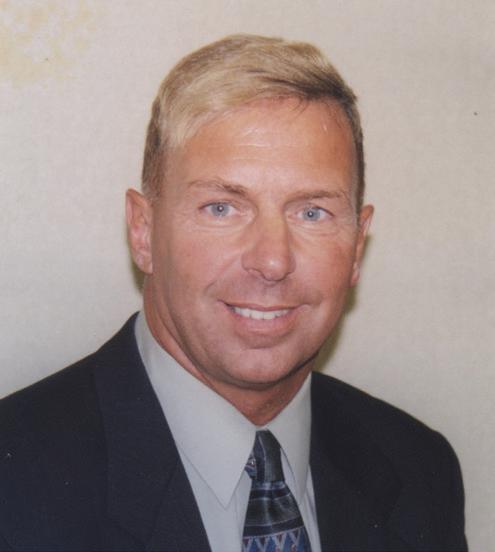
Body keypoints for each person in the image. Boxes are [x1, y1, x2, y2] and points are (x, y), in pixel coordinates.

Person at [0, 34, 467, 552]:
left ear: (357, 246)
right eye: (222, 208)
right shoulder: (13, 483)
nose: (272, 261)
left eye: (312, 212)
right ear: (143, 232)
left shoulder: (420, 470)